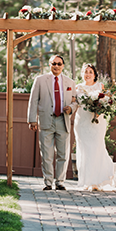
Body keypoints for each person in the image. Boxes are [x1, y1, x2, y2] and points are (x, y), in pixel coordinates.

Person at [28, 54, 76, 190]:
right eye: (53, 63)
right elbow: (33, 101)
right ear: (49, 65)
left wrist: (71, 108)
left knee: (63, 154)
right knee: (46, 154)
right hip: (46, 120)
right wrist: (32, 120)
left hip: (63, 120)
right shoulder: (40, 80)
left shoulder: (70, 83)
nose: (56, 66)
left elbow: (75, 101)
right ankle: (48, 182)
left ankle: (60, 182)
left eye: (59, 64)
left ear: (63, 66)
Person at [73, 63, 116, 191]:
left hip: (97, 121)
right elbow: (75, 103)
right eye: (85, 71)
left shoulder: (100, 86)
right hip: (82, 122)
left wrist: (101, 107)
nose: (88, 74)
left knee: (97, 148)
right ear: (82, 74)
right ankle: (86, 181)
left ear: (95, 74)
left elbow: (105, 101)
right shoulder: (78, 87)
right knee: (84, 150)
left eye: (90, 72)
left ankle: (96, 182)